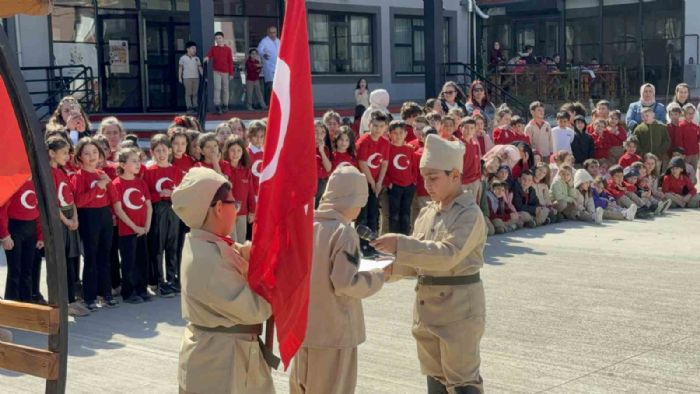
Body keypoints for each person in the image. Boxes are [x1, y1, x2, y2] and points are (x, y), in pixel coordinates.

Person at [372, 134, 487, 393]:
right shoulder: (428, 212)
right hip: (427, 309)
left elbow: (448, 254)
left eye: (433, 177)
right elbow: (418, 261)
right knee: (435, 378)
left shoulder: (468, 213)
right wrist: (386, 268)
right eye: (424, 177)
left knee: (462, 380)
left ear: (455, 175)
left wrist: (400, 244)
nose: (427, 184)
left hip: (458, 309)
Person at [172, 168, 275, 394]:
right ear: (219, 208)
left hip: (226, 354)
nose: (236, 209)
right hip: (221, 362)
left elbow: (234, 252)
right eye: (233, 203)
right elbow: (256, 309)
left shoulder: (204, 242)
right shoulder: (209, 261)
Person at [289, 166, 386, 394]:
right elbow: (345, 282)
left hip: (304, 330)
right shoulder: (343, 232)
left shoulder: (306, 225)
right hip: (335, 332)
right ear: (352, 200)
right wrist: (378, 276)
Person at [71, 137, 119, 311]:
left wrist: (107, 182)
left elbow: (113, 196)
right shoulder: (78, 176)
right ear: (79, 157)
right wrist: (98, 187)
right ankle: (89, 296)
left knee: (105, 257)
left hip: (105, 215)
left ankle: (106, 294)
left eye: (94, 152)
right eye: (86, 153)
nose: (91, 156)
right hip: (89, 217)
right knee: (91, 257)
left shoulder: (102, 174)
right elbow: (79, 201)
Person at [47, 136, 89, 316]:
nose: (67, 156)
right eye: (63, 153)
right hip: (59, 222)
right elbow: (53, 202)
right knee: (59, 263)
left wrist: (75, 218)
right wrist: (66, 220)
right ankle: (60, 302)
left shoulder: (63, 172)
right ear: (51, 153)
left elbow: (70, 197)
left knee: (71, 261)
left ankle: (71, 300)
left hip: (71, 219)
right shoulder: (49, 173)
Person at [111, 147, 153, 304]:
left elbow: (148, 205)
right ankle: (129, 292)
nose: (138, 164)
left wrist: (147, 225)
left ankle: (142, 289)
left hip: (143, 228)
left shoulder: (141, 182)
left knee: (142, 259)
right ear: (122, 164)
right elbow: (119, 210)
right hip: (127, 230)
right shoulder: (117, 183)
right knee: (129, 261)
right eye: (134, 161)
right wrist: (135, 227)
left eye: (139, 161)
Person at [144, 134, 183, 297]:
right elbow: (145, 193)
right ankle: (159, 280)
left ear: (169, 150)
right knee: (158, 246)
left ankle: (172, 279)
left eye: (164, 150)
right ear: (152, 152)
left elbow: (182, 191)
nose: (161, 154)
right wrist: (159, 194)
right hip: (157, 210)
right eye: (158, 151)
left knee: (172, 246)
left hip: (173, 210)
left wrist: (173, 193)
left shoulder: (176, 171)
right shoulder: (149, 171)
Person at [1, 178, 42, 303]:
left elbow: (39, 212)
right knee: (15, 270)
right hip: (15, 229)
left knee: (28, 269)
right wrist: (5, 235)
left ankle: (26, 302)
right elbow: (2, 211)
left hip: (31, 230)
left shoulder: (36, 184)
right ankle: (12, 303)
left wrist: (40, 236)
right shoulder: (13, 183)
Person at [356, 111, 390, 256]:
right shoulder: (363, 141)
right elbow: (363, 164)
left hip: (376, 184)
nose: (377, 129)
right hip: (364, 183)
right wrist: (372, 183)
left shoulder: (385, 142)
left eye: (381, 126)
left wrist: (379, 182)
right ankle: (363, 247)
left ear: (385, 128)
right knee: (363, 215)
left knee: (374, 214)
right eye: (375, 125)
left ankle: (374, 246)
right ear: (369, 125)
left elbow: (384, 163)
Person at [385, 120, 416, 235]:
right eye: (395, 133)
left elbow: (414, 167)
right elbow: (384, 167)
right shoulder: (388, 148)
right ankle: (393, 238)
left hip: (408, 186)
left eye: (401, 133)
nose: (398, 136)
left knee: (406, 213)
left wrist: (413, 181)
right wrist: (388, 182)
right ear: (389, 134)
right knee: (394, 214)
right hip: (394, 186)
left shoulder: (409, 149)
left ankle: (405, 237)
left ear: (406, 134)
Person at [223, 137, 256, 243]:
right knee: (232, 242)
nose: (235, 154)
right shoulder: (224, 168)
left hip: (242, 213)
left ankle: (240, 260)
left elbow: (251, 192)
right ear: (227, 151)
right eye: (232, 150)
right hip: (227, 211)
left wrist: (252, 211)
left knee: (241, 241)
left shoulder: (246, 171)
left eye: (239, 150)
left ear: (243, 152)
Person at [204, 32, 234, 114]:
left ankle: (225, 105)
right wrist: (207, 57)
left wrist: (231, 73)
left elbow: (230, 61)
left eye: (219, 38)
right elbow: (209, 55)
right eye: (216, 38)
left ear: (223, 38)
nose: (218, 40)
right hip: (216, 71)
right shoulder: (214, 48)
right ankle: (217, 105)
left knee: (225, 89)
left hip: (226, 71)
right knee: (217, 88)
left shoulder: (228, 49)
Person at [460, 117, 483, 202]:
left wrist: (479, 178)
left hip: (475, 181)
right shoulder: (458, 144)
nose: (469, 131)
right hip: (463, 182)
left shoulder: (475, 144)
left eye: (472, 128)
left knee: (474, 206)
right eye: (466, 128)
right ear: (460, 128)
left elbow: (477, 163)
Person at [179, 41, 203, 114]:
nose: (194, 50)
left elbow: (200, 68)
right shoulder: (183, 58)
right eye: (193, 48)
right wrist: (179, 77)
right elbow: (180, 68)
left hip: (196, 77)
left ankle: (195, 106)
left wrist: (203, 75)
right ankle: (189, 107)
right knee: (188, 93)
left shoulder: (197, 58)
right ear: (188, 49)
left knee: (195, 93)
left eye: (195, 49)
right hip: (187, 77)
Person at [257, 26, 280, 102]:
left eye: (274, 32)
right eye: (271, 32)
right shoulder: (264, 41)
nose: (273, 34)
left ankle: (277, 102)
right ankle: (270, 103)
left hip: (278, 66)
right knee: (270, 85)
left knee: (278, 86)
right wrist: (264, 54)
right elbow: (259, 50)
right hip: (269, 66)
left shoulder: (278, 41)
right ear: (268, 33)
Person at [314, 121, 333, 208]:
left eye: (322, 132)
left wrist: (321, 151)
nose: (319, 135)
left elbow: (328, 168)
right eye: (316, 132)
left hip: (322, 181)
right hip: (310, 181)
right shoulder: (307, 148)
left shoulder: (325, 149)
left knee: (320, 207)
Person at [247, 121, 266, 201]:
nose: (259, 139)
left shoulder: (267, 152)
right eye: (255, 136)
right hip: (251, 193)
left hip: (264, 192)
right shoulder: (246, 153)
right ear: (249, 136)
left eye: (262, 136)